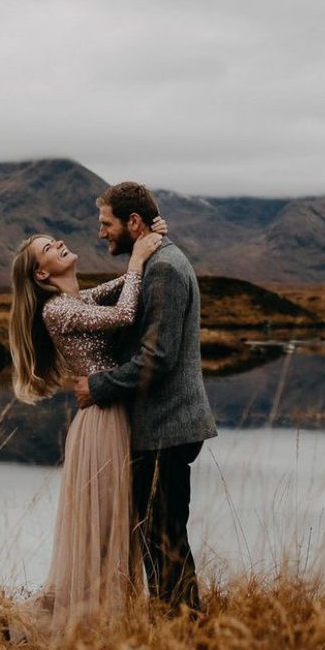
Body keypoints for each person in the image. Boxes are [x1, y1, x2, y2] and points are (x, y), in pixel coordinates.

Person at [8, 220, 165, 634]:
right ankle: (88, 625)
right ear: (42, 273)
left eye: (54, 239)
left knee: (112, 520)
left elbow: (117, 287)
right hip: (101, 421)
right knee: (104, 523)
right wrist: (136, 258)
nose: (58, 243)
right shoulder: (58, 309)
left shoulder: (77, 297)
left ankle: (102, 621)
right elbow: (126, 312)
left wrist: (149, 235)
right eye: (47, 247)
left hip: (109, 413)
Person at [74, 182, 218, 612]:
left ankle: (183, 632)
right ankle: (177, 629)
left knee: (165, 540)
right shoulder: (153, 263)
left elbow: (157, 357)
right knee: (160, 538)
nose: (101, 232)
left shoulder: (165, 269)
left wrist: (97, 388)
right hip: (160, 429)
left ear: (133, 222)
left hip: (168, 430)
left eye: (107, 223)